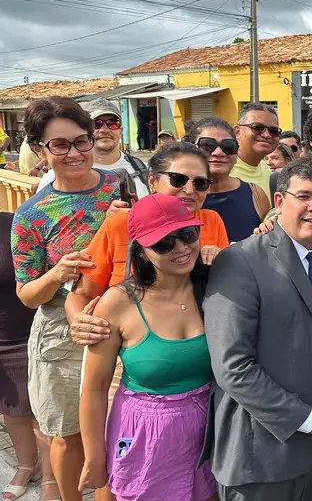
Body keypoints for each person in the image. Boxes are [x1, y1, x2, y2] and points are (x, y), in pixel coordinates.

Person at [203, 155, 312, 501]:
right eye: (304, 196)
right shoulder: (240, 261)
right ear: (279, 201)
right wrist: (311, 420)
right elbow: (233, 367)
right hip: (261, 455)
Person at [12, 96, 121, 501]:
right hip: (61, 330)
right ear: (39, 150)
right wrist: (57, 273)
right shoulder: (31, 215)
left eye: (81, 141)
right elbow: (27, 295)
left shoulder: (120, 186)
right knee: (68, 434)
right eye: (59, 145)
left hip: (123, 318)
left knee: (116, 428)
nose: (74, 153)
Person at [78, 194, 217, 501]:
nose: (180, 248)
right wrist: (94, 457)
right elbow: (94, 388)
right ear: (140, 250)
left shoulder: (216, 283)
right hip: (145, 431)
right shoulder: (118, 303)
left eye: (187, 234)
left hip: (209, 428)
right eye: (163, 243)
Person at [66, 141, 230, 345]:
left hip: (199, 346)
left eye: (200, 183)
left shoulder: (211, 221)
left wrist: (222, 261)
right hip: (130, 349)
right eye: (178, 180)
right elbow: (81, 294)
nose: (189, 190)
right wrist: (80, 323)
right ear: (152, 181)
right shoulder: (120, 224)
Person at [0, 211, 55, 501]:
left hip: (30, 334)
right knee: (11, 409)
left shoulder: (17, 223)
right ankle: (27, 464)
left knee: (41, 412)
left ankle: (51, 476)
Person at [37, 99, 149, 200]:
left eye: (113, 124)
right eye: (96, 124)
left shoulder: (144, 170)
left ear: (120, 131)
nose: (104, 130)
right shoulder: (55, 179)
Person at [189, 118, 270, 242]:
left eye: (228, 146)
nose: (218, 152)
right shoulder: (181, 195)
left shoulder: (255, 194)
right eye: (208, 145)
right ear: (191, 149)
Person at [231, 103, 280, 202]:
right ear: (237, 132)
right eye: (257, 128)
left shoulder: (266, 170)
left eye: (273, 130)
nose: (267, 135)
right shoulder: (222, 171)